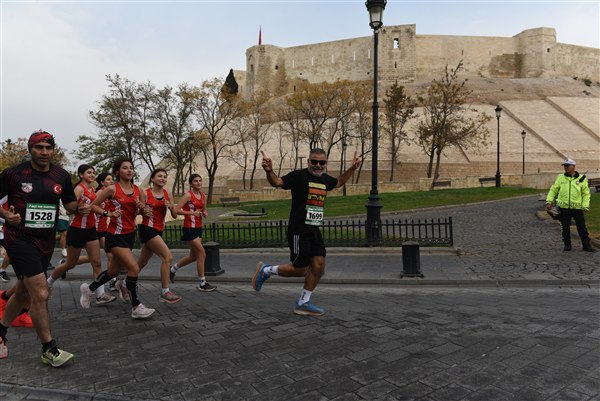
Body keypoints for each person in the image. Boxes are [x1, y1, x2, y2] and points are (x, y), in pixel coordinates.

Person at [0, 130, 80, 366]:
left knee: (23, 292)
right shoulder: (13, 173)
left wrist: (80, 207)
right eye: (39, 147)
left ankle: (0, 332)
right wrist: (6, 215)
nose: (44, 152)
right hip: (19, 238)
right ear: (31, 149)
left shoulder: (60, 175)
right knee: (41, 293)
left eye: (48, 148)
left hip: (45, 241)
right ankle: (48, 349)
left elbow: (70, 203)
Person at [252, 148, 360, 316]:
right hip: (298, 229)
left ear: (326, 164)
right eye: (314, 162)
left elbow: (339, 182)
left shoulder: (325, 179)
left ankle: (303, 303)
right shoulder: (298, 176)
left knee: (318, 266)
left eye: (321, 162)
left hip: (313, 229)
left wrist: (353, 168)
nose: (318, 165)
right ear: (308, 162)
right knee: (302, 269)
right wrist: (269, 171)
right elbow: (277, 182)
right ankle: (266, 270)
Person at [79, 158, 155, 319]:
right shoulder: (112, 189)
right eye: (125, 168)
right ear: (117, 172)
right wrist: (109, 213)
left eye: (131, 167)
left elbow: (142, 211)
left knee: (113, 271)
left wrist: (144, 210)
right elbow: (94, 205)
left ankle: (89, 289)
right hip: (115, 235)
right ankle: (136, 306)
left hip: (130, 234)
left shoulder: (138, 190)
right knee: (133, 268)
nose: (129, 170)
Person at [47, 165, 116, 305]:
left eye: (93, 172)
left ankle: (100, 295)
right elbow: (69, 209)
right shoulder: (79, 189)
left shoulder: (92, 190)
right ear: (80, 175)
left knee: (97, 263)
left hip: (91, 229)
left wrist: (107, 213)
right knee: (70, 264)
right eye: (88, 172)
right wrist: (79, 209)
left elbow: (94, 208)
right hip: (77, 229)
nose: (92, 175)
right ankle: (48, 282)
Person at [137, 168, 182, 304]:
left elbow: (175, 215)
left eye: (164, 176)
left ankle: (125, 282)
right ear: (152, 179)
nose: (163, 178)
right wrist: (143, 211)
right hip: (147, 228)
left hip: (159, 229)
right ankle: (165, 292)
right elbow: (140, 211)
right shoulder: (145, 193)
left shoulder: (168, 193)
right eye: (159, 176)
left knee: (142, 262)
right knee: (167, 257)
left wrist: (171, 207)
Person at [169, 174, 216, 292]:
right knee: (202, 254)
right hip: (189, 227)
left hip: (198, 227)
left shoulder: (203, 195)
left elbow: (203, 209)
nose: (198, 183)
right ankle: (202, 283)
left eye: (200, 180)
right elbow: (176, 210)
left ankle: (172, 270)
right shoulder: (188, 195)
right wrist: (191, 213)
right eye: (195, 181)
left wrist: (204, 213)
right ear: (190, 183)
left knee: (193, 256)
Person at [546, 158, 595, 252]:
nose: (565, 168)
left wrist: (585, 206)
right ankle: (567, 244)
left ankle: (586, 245)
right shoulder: (560, 177)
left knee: (582, 227)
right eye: (564, 166)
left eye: (567, 166)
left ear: (574, 166)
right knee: (565, 227)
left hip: (577, 208)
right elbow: (554, 189)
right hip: (564, 208)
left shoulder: (581, 179)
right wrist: (549, 201)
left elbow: (586, 193)